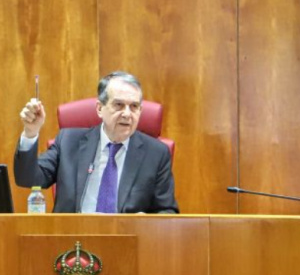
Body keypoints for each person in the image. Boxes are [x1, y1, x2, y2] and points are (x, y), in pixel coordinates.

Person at [14, 71, 178, 214]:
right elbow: (28, 178)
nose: (127, 114)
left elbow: (167, 211)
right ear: (99, 108)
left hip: (126, 237)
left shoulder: (156, 154)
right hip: (73, 237)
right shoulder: (69, 142)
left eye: (134, 106)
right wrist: (30, 133)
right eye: (119, 105)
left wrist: (146, 222)